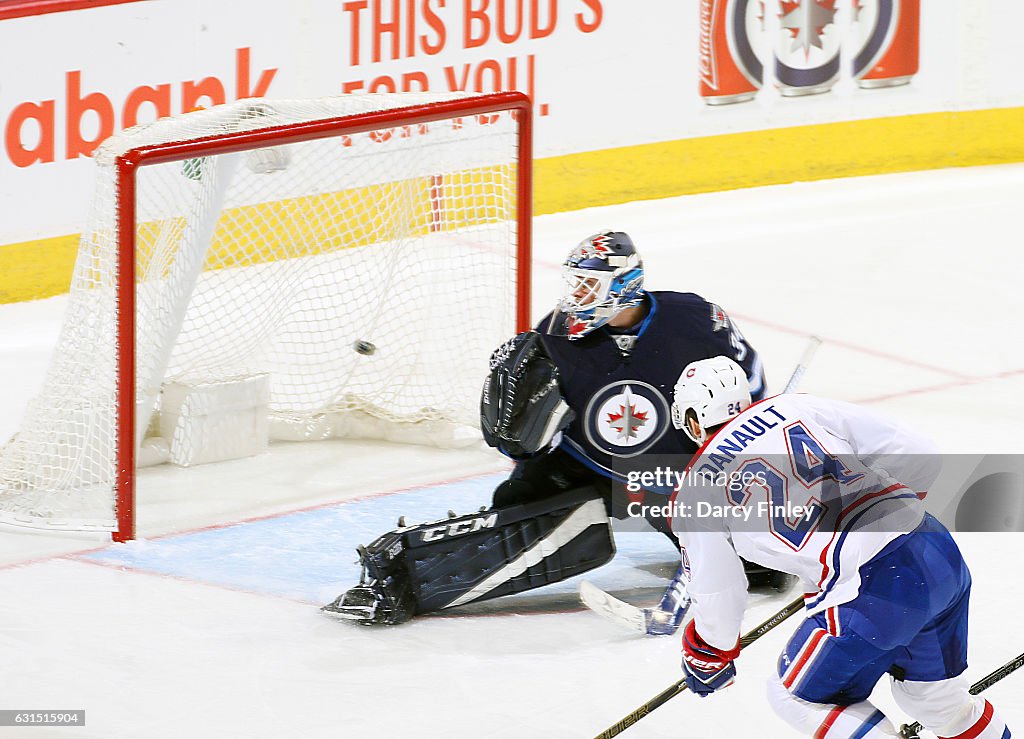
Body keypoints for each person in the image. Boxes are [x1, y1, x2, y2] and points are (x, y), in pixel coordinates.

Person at [322, 231, 772, 627]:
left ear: (625, 285)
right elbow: (529, 444)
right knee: (511, 529)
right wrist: (520, 437)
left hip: (669, 474)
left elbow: (747, 380)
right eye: (574, 283)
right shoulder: (554, 334)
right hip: (580, 468)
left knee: (765, 567)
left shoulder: (694, 318)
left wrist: (730, 448)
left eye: (588, 284)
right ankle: (404, 579)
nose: (576, 295)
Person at [667, 356, 1011, 739]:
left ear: (694, 420)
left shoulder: (695, 490)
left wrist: (708, 653)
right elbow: (916, 450)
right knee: (937, 701)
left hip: (873, 590)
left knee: (794, 697)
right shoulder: (794, 406)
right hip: (935, 550)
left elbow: (719, 590)